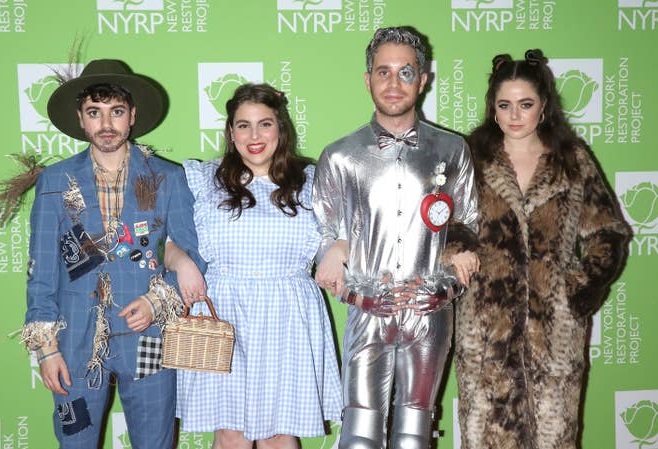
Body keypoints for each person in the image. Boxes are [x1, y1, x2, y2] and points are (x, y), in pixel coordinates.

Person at [21, 59, 206, 449]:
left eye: (116, 112)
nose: (106, 124)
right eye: (95, 113)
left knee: (155, 443)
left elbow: (191, 254)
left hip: (149, 337)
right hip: (73, 343)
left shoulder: (166, 177)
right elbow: (41, 273)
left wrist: (159, 301)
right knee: (75, 442)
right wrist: (46, 349)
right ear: (81, 119)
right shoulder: (55, 182)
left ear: (132, 116)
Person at [455, 49, 632, 449]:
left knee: (553, 438)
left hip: (553, 335)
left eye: (525, 104)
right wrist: (458, 260)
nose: (515, 115)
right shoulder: (469, 161)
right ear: (493, 110)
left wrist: (576, 287)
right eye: (505, 105)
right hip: (485, 331)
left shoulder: (572, 161)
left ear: (544, 107)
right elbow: (445, 227)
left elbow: (610, 232)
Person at [313, 27, 479, 449]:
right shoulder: (340, 156)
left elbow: (468, 230)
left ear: (422, 81)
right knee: (360, 435)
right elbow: (326, 239)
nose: (393, 83)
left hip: (431, 315)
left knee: (414, 435)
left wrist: (442, 291)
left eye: (405, 73)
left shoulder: (452, 150)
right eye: (383, 72)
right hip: (367, 314)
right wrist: (359, 296)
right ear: (367, 79)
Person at [167, 83, 342, 449]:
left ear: (281, 128)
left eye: (264, 124)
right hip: (224, 313)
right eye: (243, 125)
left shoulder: (312, 181)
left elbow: (361, 222)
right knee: (231, 433)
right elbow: (163, 239)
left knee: (280, 434)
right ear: (231, 133)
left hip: (288, 314)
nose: (254, 135)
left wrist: (341, 247)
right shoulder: (203, 179)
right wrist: (181, 261)